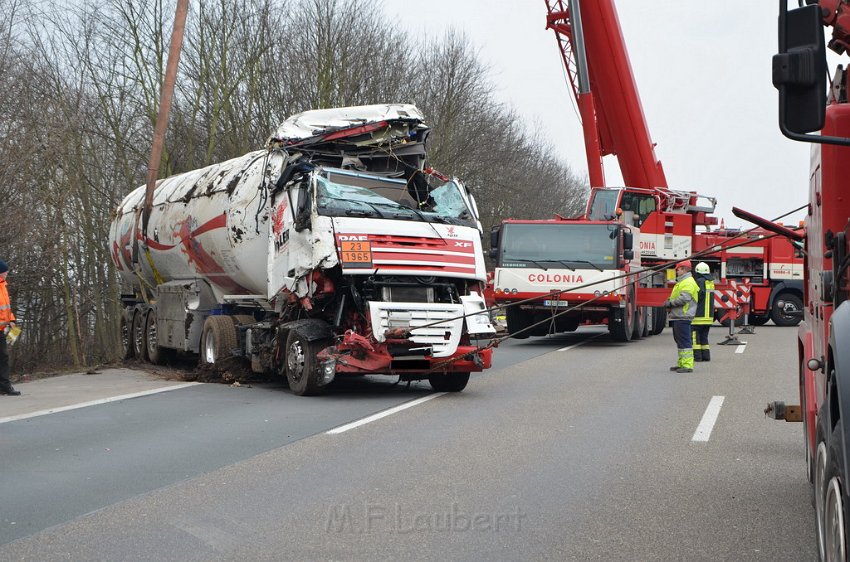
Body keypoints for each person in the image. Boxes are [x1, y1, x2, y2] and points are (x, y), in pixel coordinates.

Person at [664, 260, 699, 373]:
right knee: (680, 341)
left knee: (684, 341)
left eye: (678, 269)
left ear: (684, 269)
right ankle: (682, 363)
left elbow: (684, 299)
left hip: (683, 316)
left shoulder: (687, 282)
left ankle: (687, 365)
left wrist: (670, 303)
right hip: (679, 316)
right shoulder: (683, 281)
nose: (676, 271)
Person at [0, 258, 20, 396]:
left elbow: (6, 309)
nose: (7, 273)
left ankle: (4, 386)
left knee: (3, 357)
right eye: (5, 271)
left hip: (1, 329)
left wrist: (11, 319)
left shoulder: (3, 287)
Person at [692, 262, 715, 362]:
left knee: (695, 338)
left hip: (699, 316)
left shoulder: (699, 281)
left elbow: (698, 296)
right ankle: (706, 356)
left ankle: (697, 357)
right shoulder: (710, 282)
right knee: (704, 337)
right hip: (709, 316)